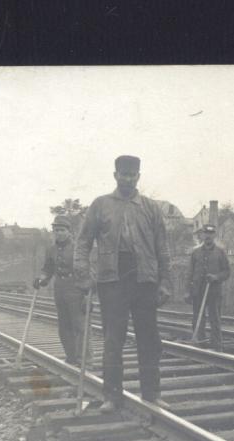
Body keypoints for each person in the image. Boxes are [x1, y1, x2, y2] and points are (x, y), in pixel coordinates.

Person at [75, 155, 171, 412]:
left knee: (149, 340)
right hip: (112, 281)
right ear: (115, 175)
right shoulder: (100, 205)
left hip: (144, 280)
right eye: (123, 174)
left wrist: (165, 282)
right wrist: (84, 275)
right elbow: (83, 242)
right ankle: (112, 396)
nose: (128, 179)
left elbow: (162, 248)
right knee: (112, 340)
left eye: (133, 174)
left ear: (139, 176)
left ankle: (151, 393)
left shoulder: (150, 208)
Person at [34, 215, 89, 365]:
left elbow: (88, 269)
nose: (59, 233)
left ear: (69, 231)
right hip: (59, 288)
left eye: (62, 230)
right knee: (64, 325)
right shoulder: (51, 249)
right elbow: (48, 268)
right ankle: (71, 357)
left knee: (79, 324)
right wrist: (41, 279)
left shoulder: (79, 248)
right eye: (56, 230)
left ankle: (84, 359)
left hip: (76, 287)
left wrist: (87, 292)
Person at [186, 224, 230, 351]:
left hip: (214, 291)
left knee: (214, 317)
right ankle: (199, 343)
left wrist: (216, 277)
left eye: (211, 233)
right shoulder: (195, 252)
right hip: (197, 290)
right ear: (202, 235)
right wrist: (187, 291)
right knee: (197, 317)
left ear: (214, 235)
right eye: (206, 233)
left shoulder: (220, 252)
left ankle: (217, 346)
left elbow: (227, 271)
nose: (208, 236)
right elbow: (190, 272)